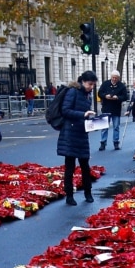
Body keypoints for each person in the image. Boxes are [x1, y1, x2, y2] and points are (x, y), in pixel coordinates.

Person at [57, 71, 98, 205]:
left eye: (93, 85)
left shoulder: (88, 95)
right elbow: (65, 110)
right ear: (83, 82)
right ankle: (69, 195)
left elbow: (85, 114)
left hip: (82, 132)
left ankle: (88, 193)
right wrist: (83, 114)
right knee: (70, 166)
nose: (91, 87)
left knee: (85, 166)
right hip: (70, 133)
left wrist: (92, 121)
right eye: (90, 84)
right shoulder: (73, 92)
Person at [96, 70, 129, 151]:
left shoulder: (121, 86)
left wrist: (117, 97)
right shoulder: (105, 84)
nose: (114, 79)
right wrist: (105, 96)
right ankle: (103, 143)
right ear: (111, 77)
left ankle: (116, 142)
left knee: (116, 127)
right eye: (113, 77)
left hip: (116, 109)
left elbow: (125, 96)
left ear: (118, 78)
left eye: (116, 78)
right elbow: (100, 93)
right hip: (106, 108)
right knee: (104, 127)